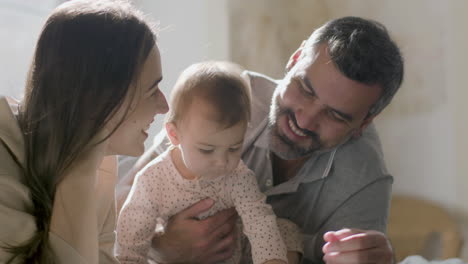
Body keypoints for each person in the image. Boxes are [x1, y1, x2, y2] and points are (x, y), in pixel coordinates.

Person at [117, 16, 404, 264]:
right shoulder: (228, 99)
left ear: (363, 123)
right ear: (294, 59)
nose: (303, 121)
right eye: (305, 89)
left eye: (335, 116)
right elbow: (121, 201)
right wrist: (164, 245)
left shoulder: (366, 178)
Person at [0, 0, 169, 263]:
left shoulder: (101, 161)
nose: (164, 106)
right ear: (102, 98)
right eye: (152, 90)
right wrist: (82, 161)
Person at [116, 61, 303, 264]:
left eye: (234, 148)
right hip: (178, 258)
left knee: (284, 229)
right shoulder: (153, 180)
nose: (222, 162)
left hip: (234, 252)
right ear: (174, 135)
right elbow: (131, 237)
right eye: (206, 150)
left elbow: (259, 220)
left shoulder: (238, 176)